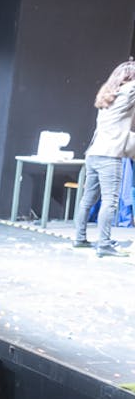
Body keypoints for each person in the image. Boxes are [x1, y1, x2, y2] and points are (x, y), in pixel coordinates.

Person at [74, 60, 135, 258]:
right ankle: (104, 245)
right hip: (109, 156)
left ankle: (80, 238)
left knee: (87, 200)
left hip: (93, 154)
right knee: (110, 202)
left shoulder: (108, 96)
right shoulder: (128, 92)